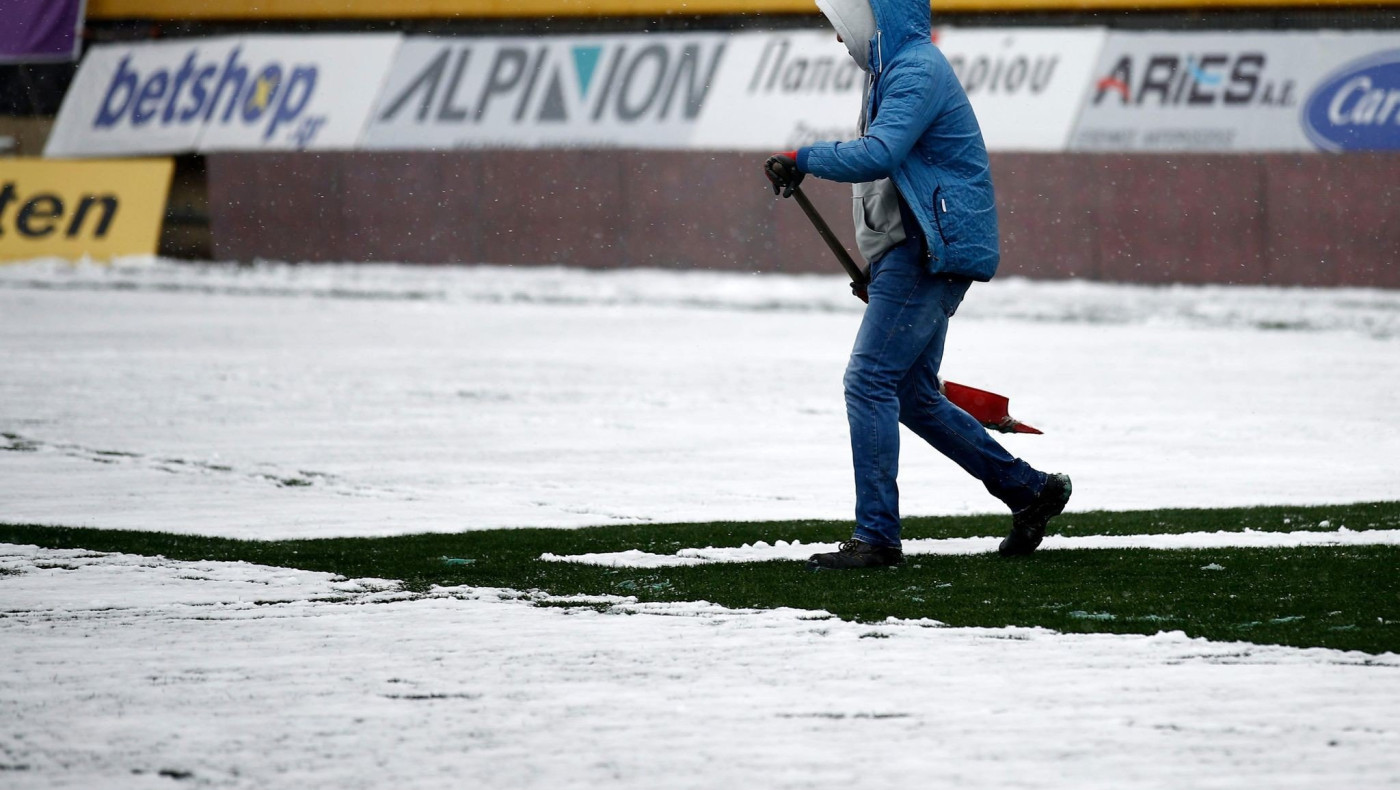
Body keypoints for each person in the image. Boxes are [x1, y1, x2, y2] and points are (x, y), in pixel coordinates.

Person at [763, 0, 1071, 569]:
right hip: (914, 252)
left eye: (843, 29)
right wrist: (880, 269)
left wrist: (801, 156)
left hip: (926, 252)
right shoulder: (894, 72)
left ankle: (878, 537)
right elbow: (891, 182)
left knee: (869, 382)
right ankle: (1029, 489)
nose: (839, 41)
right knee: (911, 395)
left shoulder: (915, 70)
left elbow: (880, 155)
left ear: (873, 22)